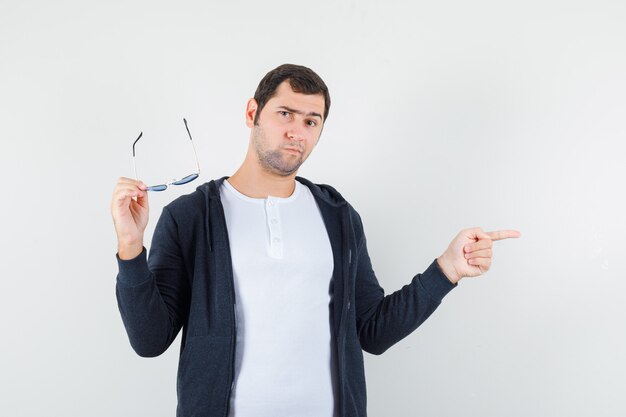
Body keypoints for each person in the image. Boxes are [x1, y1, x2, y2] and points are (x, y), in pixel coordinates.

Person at [111, 64, 520, 417]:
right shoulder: (191, 216)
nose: (296, 132)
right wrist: (131, 247)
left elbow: (371, 330)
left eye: (311, 121)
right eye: (285, 113)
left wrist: (446, 270)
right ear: (253, 112)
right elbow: (149, 340)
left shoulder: (338, 216)